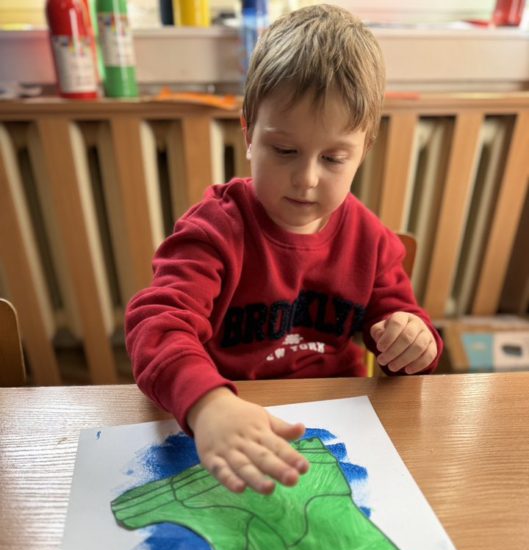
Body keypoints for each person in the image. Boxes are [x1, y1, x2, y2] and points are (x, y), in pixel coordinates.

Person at [125, 4, 443, 496]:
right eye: (285, 151)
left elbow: (403, 330)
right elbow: (157, 324)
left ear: (363, 151)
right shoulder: (214, 231)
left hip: (337, 425)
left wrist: (414, 340)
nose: (307, 178)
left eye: (333, 158)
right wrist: (208, 404)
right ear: (249, 134)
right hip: (227, 421)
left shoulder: (371, 240)